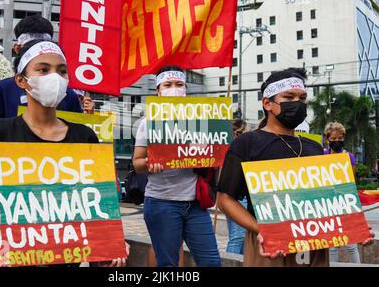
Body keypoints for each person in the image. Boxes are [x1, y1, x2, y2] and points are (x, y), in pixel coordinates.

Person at [0, 39, 128, 267]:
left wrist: (112, 242)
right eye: (43, 69)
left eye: (62, 71)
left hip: (66, 258)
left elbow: (97, 202)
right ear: (21, 80)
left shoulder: (84, 137)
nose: (54, 77)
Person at [216, 67, 374, 267]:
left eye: (302, 98)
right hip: (269, 246)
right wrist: (261, 229)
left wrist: (354, 227)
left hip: (314, 246)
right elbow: (225, 200)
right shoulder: (247, 143)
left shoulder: (314, 148)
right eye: (289, 97)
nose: (297, 104)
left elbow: (330, 200)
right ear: (267, 103)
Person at [132, 65, 221, 267]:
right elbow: (137, 163)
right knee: (168, 264)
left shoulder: (200, 121)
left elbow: (215, 153)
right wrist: (149, 163)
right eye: (168, 84)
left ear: (185, 89)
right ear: (158, 90)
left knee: (211, 262)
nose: (174, 88)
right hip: (162, 203)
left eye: (179, 84)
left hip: (196, 204)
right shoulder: (148, 123)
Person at [0, 14, 94, 135]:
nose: (39, 51)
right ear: (17, 49)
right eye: (43, 69)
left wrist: (89, 118)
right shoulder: (0, 92)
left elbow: (79, 142)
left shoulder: (68, 95)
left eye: (62, 71)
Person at [324, 122, 361, 263]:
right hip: (327, 204)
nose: (337, 141)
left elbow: (352, 181)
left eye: (340, 138)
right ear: (328, 139)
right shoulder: (322, 155)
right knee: (332, 245)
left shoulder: (349, 156)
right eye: (333, 139)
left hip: (345, 204)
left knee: (351, 244)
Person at [225, 118, 249, 254]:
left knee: (240, 238)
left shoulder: (229, 150)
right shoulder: (235, 151)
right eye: (246, 132)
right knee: (237, 238)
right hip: (238, 197)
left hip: (235, 197)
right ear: (237, 134)